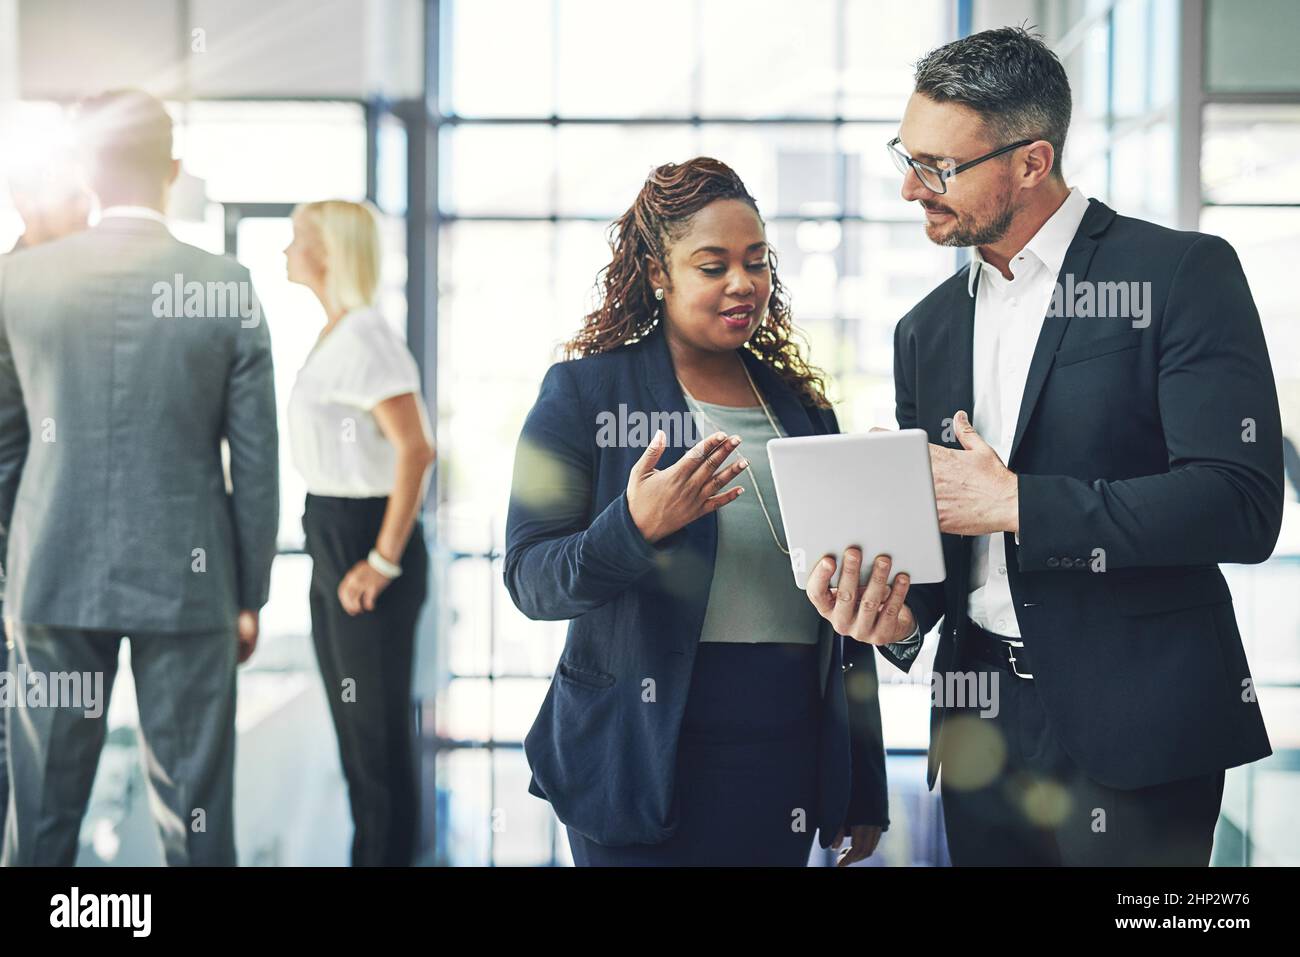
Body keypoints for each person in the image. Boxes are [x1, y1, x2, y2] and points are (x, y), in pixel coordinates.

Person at [810, 27, 1281, 866]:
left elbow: (1240, 503)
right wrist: (895, 618)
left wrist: (1019, 501)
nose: (912, 188)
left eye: (939, 168)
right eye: (906, 156)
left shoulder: (1180, 274)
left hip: (1141, 733)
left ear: (1032, 162)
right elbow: (948, 554)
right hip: (980, 732)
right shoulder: (925, 329)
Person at [505, 157, 906, 867]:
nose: (742, 284)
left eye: (756, 262)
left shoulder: (804, 410)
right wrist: (632, 528)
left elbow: (845, 605)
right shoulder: (584, 394)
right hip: (635, 756)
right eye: (712, 265)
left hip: (779, 762)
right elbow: (532, 579)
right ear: (659, 272)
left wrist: (861, 782)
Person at [0, 89, 279, 866]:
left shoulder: (16, 283)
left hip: (51, 577)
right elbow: (254, 462)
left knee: (41, 824)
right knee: (194, 825)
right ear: (175, 169)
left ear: (86, 171)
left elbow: (3, 449)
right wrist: (248, 593)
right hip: (189, 585)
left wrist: (14, 563)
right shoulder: (225, 285)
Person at [284, 200, 434, 866]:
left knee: (376, 744)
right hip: (332, 533)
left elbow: (417, 448)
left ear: (328, 253)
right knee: (357, 740)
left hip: (365, 535)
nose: (285, 250)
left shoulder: (367, 336)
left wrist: (381, 558)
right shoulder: (337, 331)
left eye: (296, 238)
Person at [0, 142, 91, 841]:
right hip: (24, 558)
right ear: (28, 205)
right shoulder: (15, 290)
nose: (86, 204)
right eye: (69, 194)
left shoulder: (81, 283)